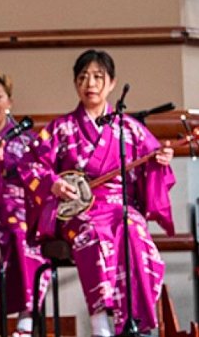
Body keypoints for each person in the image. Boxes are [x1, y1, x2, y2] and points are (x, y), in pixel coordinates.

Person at [20, 49, 175, 336]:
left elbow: (153, 163)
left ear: (113, 83)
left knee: (133, 230)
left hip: (120, 207)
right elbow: (30, 163)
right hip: (79, 210)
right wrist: (52, 183)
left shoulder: (130, 129)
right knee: (92, 232)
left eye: (98, 77)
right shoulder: (61, 128)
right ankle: (99, 317)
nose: (90, 83)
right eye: (83, 77)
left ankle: (134, 322)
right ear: (75, 83)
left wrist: (160, 162)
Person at [0, 69, 48, 337]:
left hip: (19, 207)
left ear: (9, 102)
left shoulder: (26, 139)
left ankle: (25, 321)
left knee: (20, 234)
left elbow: (41, 178)